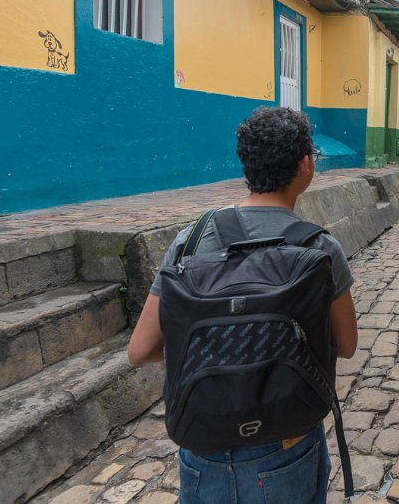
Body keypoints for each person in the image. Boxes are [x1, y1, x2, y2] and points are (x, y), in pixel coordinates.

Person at [128, 107, 358, 504]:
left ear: (247, 165)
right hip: (287, 443)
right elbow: (348, 344)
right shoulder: (319, 248)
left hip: (204, 450)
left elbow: (140, 350)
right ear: (305, 165)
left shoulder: (191, 241)